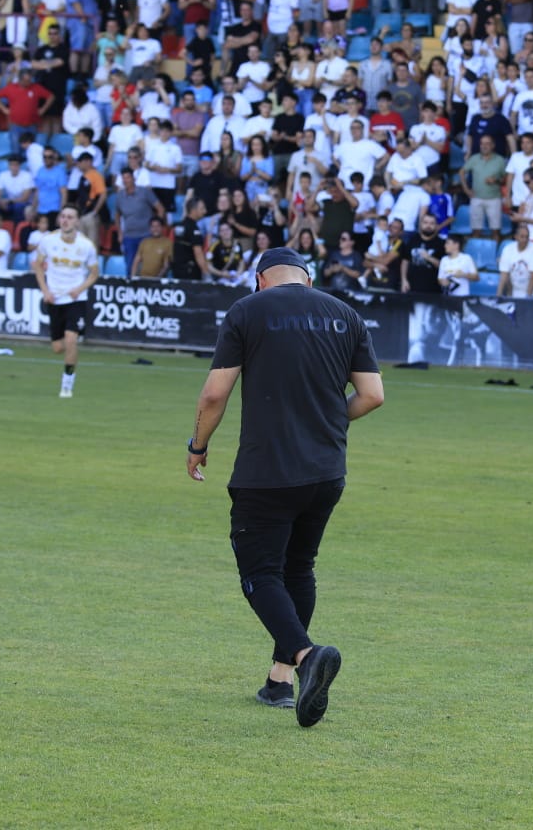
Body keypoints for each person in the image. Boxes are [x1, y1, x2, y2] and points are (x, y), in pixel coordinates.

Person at [186, 247, 384, 728]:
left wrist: (198, 444)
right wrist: (327, 421)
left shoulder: (247, 311)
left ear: (259, 280)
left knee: (260, 574)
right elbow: (373, 395)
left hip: (267, 471)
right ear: (308, 279)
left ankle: (304, 655)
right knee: (300, 568)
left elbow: (215, 392)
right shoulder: (345, 314)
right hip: (326, 470)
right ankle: (279, 680)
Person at [32, 205, 100, 399]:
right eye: (63, 216)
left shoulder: (86, 245)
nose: (65, 220)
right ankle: (65, 366)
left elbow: (94, 273)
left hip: (75, 299)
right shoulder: (47, 241)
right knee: (57, 347)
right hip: (54, 298)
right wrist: (45, 290)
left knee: (71, 339)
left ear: (77, 221)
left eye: (70, 217)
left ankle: (67, 385)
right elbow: (37, 266)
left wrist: (79, 289)